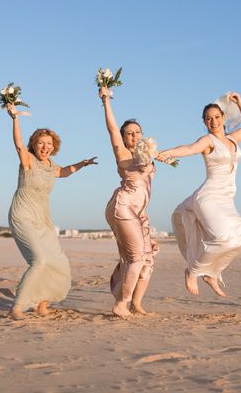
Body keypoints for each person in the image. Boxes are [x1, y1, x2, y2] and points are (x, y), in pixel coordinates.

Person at [158, 92, 241, 297]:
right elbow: (190, 148)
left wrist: (240, 102)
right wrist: (167, 153)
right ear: (204, 122)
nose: (213, 121)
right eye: (209, 118)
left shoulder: (233, 139)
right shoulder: (208, 140)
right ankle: (192, 271)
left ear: (224, 118)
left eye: (217, 117)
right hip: (209, 197)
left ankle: (213, 273)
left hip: (227, 198)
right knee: (221, 237)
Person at [6, 104, 97, 320]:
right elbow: (18, 145)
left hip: (43, 219)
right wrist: (15, 119)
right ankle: (17, 307)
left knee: (59, 262)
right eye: (40, 143)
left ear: (54, 146)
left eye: (49, 143)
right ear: (34, 145)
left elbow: (64, 173)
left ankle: (41, 305)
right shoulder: (28, 160)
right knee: (39, 260)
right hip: (23, 214)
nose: (45, 146)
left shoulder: (51, 166)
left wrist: (82, 164)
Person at [99, 86, 160, 318]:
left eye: (137, 132)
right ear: (124, 138)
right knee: (135, 258)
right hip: (122, 207)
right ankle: (121, 304)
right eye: (129, 133)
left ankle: (136, 303)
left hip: (139, 212)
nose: (134, 136)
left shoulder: (147, 155)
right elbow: (112, 128)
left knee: (148, 259)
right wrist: (106, 100)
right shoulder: (123, 154)